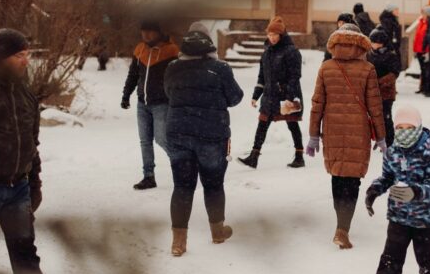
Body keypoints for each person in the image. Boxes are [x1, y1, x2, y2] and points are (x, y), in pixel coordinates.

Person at [0, 29, 75, 274]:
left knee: (26, 257)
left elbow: (32, 141)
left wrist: (34, 180)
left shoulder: (25, 93)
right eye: (19, 55)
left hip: (17, 188)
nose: (26, 60)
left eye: (27, 54)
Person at [163, 23, 243, 257]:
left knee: (182, 186)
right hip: (211, 135)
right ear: (209, 44)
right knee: (213, 184)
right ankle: (217, 231)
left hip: (178, 134)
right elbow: (235, 97)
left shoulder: (172, 68)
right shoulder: (220, 69)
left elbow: (169, 93)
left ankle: (178, 242)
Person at [364, 105, 430, 274]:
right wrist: (374, 190)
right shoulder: (392, 151)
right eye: (400, 127)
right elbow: (387, 177)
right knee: (389, 262)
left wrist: (416, 191)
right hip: (398, 218)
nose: (404, 131)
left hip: (425, 219)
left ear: (418, 128)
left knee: (428, 263)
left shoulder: (429, 153)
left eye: (409, 127)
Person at [307, 23, 386, 249]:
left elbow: (317, 104)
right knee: (352, 179)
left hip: (331, 129)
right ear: (360, 43)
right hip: (357, 131)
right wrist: (380, 137)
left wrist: (314, 135)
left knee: (338, 176)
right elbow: (375, 106)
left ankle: (340, 225)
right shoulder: (368, 69)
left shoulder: (326, 67)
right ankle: (343, 228)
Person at [238, 16, 305, 170]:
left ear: (281, 35)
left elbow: (295, 77)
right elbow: (262, 76)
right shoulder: (266, 51)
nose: (272, 38)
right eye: (269, 34)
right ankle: (253, 157)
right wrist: (256, 95)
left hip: (285, 96)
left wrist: (289, 97)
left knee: (292, 124)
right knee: (262, 124)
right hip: (269, 96)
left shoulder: (291, 51)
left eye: (275, 35)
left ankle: (299, 156)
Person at [121, 20, 179, 190]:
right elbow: (133, 75)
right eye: (143, 31)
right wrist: (126, 95)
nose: (145, 35)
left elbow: (178, 78)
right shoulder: (140, 49)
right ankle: (149, 177)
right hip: (142, 104)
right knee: (145, 141)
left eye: (150, 31)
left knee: (161, 138)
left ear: (158, 32)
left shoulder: (171, 51)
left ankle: (183, 165)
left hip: (162, 103)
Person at [367, 27, 401, 146]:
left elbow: (394, 73)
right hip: (371, 91)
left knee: (385, 117)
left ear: (381, 43)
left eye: (375, 42)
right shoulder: (369, 55)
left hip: (386, 93)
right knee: (373, 117)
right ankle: (378, 137)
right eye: (372, 42)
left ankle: (389, 141)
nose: (373, 45)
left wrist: (379, 82)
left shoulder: (390, 55)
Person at [413, 5, 430, 95]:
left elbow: (429, 38)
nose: (422, 15)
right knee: (422, 69)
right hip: (419, 49)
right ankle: (422, 87)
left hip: (425, 50)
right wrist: (415, 49)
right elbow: (418, 37)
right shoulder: (421, 22)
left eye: (424, 13)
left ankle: (426, 88)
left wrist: (427, 50)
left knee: (427, 70)